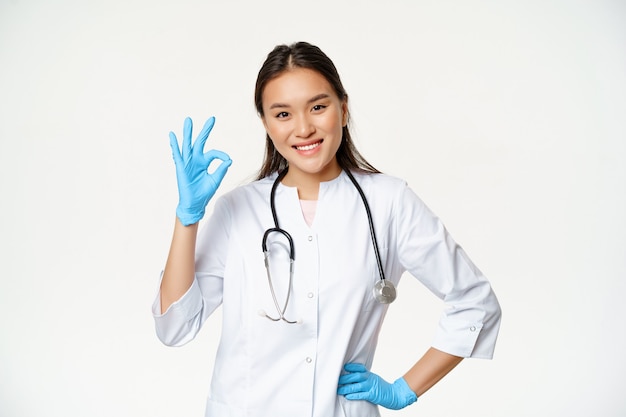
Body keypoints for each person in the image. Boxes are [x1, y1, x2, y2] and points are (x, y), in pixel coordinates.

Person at [153, 41, 501, 417]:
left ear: (343, 108)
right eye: (282, 114)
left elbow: (474, 302)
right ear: (267, 124)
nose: (304, 128)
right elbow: (174, 327)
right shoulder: (238, 209)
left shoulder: (389, 202)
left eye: (318, 107)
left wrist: (404, 389)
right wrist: (187, 219)